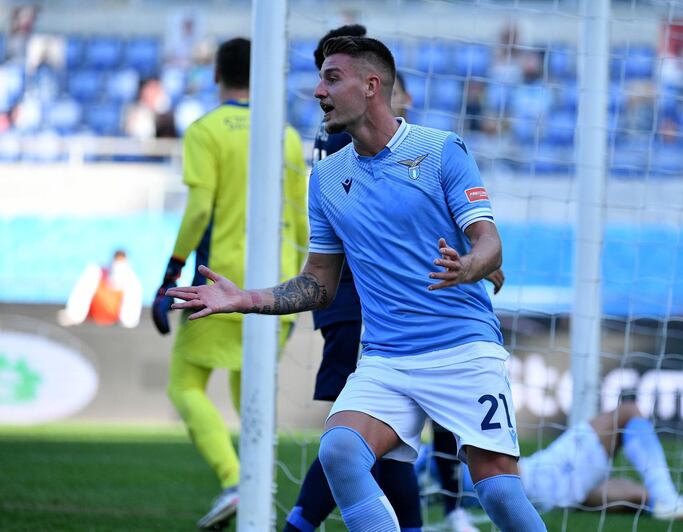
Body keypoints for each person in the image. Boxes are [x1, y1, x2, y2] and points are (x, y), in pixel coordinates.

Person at [168, 35, 547, 532]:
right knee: (341, 451)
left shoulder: (442, 150)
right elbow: (318, 283)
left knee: (496, 486)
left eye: (331, 78)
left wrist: (471, 266)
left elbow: (489, 241)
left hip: (462, 350)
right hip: (386, 358)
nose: (317, 92)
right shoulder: (325, 180)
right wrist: (247, 298)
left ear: (371, 86)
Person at [151, 37, 307, 530]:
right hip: (279, 284)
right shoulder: (285, 134)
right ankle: (258, 487)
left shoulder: (206, 129)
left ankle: (236, 479)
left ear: (217, 74)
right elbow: (303, 219)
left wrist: (170, 274)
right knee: (251, 389)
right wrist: (304, 285)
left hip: (221, 283)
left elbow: (200, 208)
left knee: (184, 385)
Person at [283, 24, 422, 532]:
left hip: (362, 304)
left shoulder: (355, 136)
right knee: (355, 433)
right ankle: (300, 524)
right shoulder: (348, 140)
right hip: (357, 302)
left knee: (380, 436)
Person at [419, 402, 683, 522]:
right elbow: (432, 458)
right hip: (541, 479)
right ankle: (673, 502)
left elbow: (429, 460)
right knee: (627, 412)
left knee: (641, 497)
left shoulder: (430, 471)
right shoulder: (431, 464)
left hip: (547, 492)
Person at [58, 249, 143, 329]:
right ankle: (74, 315)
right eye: (117, 263)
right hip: (92, 316)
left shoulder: (132, 281)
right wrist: (74, 315)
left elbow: (130, 319)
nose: (118, 268)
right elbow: (81, 293)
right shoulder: (96, 272)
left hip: (113, 320)